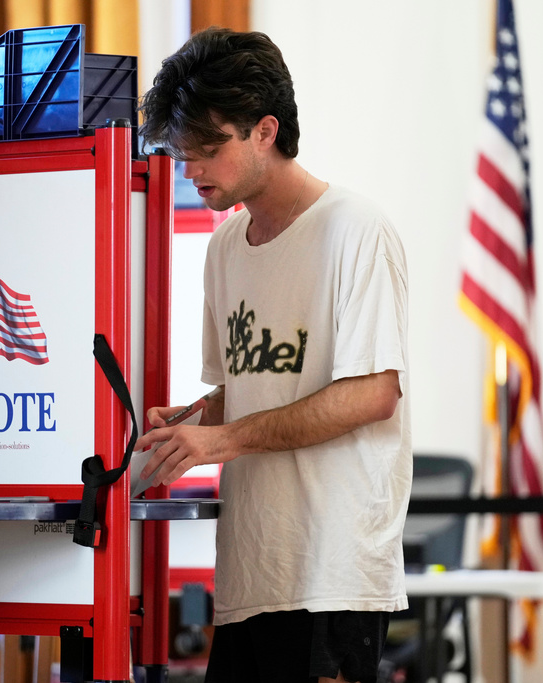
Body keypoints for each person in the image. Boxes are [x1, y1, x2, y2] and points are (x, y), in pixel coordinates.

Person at [135, 28, 412, 683]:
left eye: (207, 148)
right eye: (182, 152)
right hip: (251, 572)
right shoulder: (226, 246)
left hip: (332, 576)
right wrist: (194, 421)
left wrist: (222, 438)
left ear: (265, 130)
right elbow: (249, 386)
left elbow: (373, 392)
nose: (191, 168)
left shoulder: (357, 231)